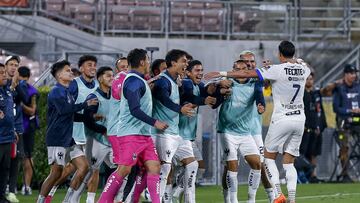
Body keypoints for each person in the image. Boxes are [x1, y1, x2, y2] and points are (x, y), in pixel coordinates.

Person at [205, 40, 311, 203]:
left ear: (279, 54)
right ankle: (291, 198)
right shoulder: (304, 69)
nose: (247, 66)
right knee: (288, 162)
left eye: (250, 62)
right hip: (299, 119)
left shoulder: (273, 71)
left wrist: (221, 72)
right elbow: (302, 65)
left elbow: (256, 80)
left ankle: (275, 195)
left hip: (276, 121)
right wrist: (219, 82)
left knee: (266, 160)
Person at [98, 48, 168, 203]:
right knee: (124, 169)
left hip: (144, 134)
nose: (149, 63)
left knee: (154, 167)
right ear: (142, 62)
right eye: (148, 60)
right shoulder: (132, 81)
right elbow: (134, 110)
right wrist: (155, 122)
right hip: (130, 135)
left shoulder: (139, 80)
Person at [36, 60, 97, 203]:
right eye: (67, 70)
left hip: (69, 138)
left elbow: (72, 115)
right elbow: (64, 110)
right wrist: (84, 104)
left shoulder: (67, 92)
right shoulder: (56, 91)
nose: (71, 72)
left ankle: (69, 200)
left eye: (70, 70)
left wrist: (89, 117)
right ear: (58, 75)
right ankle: (41, 200)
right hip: (57, 138)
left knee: (84, 167)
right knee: (55, 173)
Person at [152, 49, 197, 202]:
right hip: (163, 134)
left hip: (175, 133)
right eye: (184, 61)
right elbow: (163, 99)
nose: (187, 64)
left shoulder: (175, 79)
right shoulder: (162, 80)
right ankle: (159, 199)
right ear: (173, 63)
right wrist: (180, 109)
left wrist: (187, 103)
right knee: (164, 170)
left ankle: (188, 200)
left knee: (192, 164)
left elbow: (178, 98)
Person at [215, 60, 262, 203]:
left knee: (257, 164)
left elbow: (260, 96)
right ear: (232, 70)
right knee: (232, 166)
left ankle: (251, 199)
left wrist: (261, 105)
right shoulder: (226, 82)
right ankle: (232, 199)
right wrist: (219, 88)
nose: (240, 72)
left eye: (243, 69)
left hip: (245, 133)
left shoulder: (254, 84)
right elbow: (211, 93)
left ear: (248, 70)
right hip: (227, 131)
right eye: (237, 69)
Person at [69, 66, 115, 203]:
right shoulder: (93, 97)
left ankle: (115, 199)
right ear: (100, 78)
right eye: (108, 76)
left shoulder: (115, 96)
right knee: (88, 172)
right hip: (96, 140)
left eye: (113, 76)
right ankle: (72, 199)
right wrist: (103, 130)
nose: (111, 78)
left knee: (123, 169)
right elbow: (88, 121)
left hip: (111, 141)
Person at [172, 60, 217, 201]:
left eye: (201, 70)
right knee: (190, 166)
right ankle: (174, 195)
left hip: (188, 137)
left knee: (197, 167)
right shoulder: (186, 83)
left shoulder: (199, 85)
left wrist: (219, 89)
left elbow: (209, 95)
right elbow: (190, 97)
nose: (200, 73)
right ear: (188, 73)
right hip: (179, 136)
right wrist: (204, 100)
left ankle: (175, 193)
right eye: (197, 70)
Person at [239, 50, 275, 202]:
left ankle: (270, 196)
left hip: (254, 131)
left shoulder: (258, 80)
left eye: (252, 61)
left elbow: (267, 83)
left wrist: (269, 72)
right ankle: (228, 197)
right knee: (229, 167)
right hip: (234, 131)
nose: (250, 64)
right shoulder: (232, 81)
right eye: (246, 61)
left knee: (260, 165)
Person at [4, 56, 28, 203]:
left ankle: (11, 191)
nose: (13, 67)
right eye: (11, 64)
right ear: (5, 66)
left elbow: (25, 99)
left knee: (15, 161)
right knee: (3, 162)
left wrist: (16, 84)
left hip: (17, 129)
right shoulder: (2, 84)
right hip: (4, 130)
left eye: (16, 65)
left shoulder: (19, 85)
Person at [332, 64, 360, 183]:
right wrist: (350, 111)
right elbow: (336, 108)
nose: (354, 75)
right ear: (345, 74)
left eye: (355, 73)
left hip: (357, 121)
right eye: (351, 73)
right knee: (345, 147)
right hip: (343, 122)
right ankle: (345, 173)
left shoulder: (358, 87)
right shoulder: (339, 88)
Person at [18, 66, 39, 195]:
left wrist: (21, 105)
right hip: (17, 127)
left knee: (27, 157)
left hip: (27, 128)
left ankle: (27, 186)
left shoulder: (32, 92)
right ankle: (12, 186)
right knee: (15, 157)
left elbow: (32, 110)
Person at [0, 62, 15, 203]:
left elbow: (10, 114)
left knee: (5, 170)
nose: (4, 75)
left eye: (4, 72)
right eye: (1, 73)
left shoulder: (8, 91)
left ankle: (1, 197)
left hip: (7, 137)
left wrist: (14, 130)